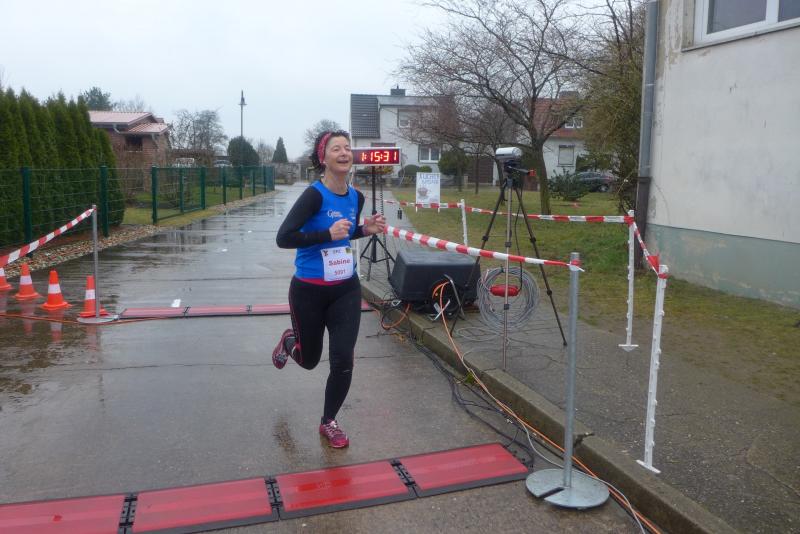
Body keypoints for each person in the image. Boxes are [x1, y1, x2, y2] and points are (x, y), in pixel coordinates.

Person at [272, 130, 386, 448]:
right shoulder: (314, 196)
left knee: (343, 358)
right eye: (336, 148)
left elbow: (344, 233)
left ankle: (329, 421)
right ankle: (289, 341)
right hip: (308, 290)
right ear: (323, 158)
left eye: (347, 147)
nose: (344, 152)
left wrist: (364, 229)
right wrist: (326, 234)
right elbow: (284, 238)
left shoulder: (356, 197)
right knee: (309, 360)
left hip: (345, 289)